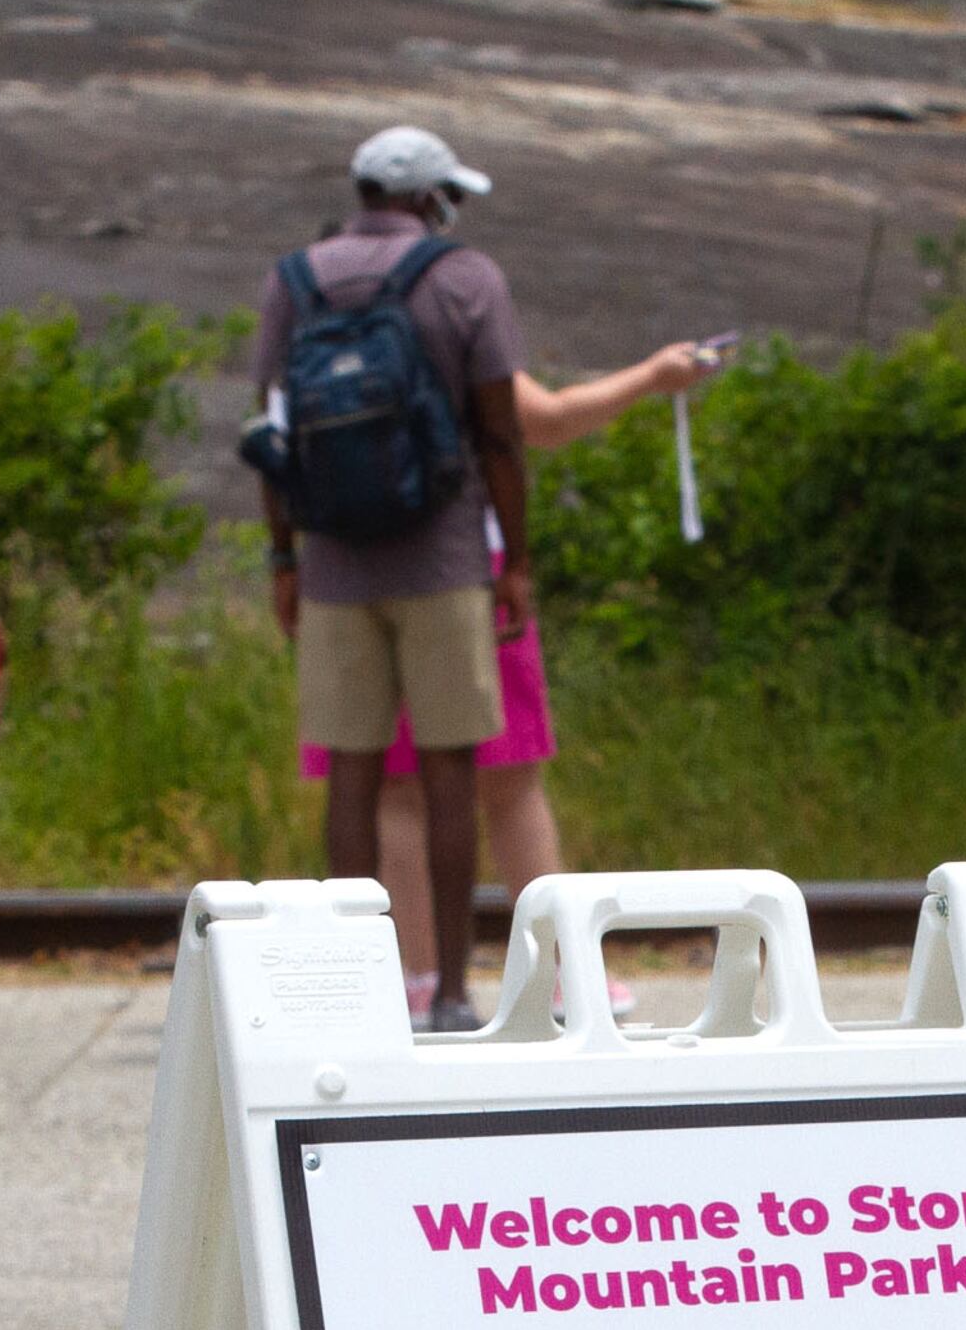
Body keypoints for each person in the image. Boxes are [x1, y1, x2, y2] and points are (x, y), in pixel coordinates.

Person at [361, 338, 722, 1020]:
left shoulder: (320, 302)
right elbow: (547, 420)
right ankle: (565, 976)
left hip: (360, 573)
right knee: (510, 780)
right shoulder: (453, 304)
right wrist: (654, 374)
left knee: (396, 788)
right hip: (466, 569)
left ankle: (416, 981)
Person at [260, 125, 530, 1033]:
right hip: (445, 557)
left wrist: (282, 558)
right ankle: (451, 991)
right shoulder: (465, 279)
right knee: (452, 770)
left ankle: (359, 993)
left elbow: (272, 434)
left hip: (336, 564)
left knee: (353, 775)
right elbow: (500, 433)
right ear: (428, 199)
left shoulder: (293, 280)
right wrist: (515, 561)